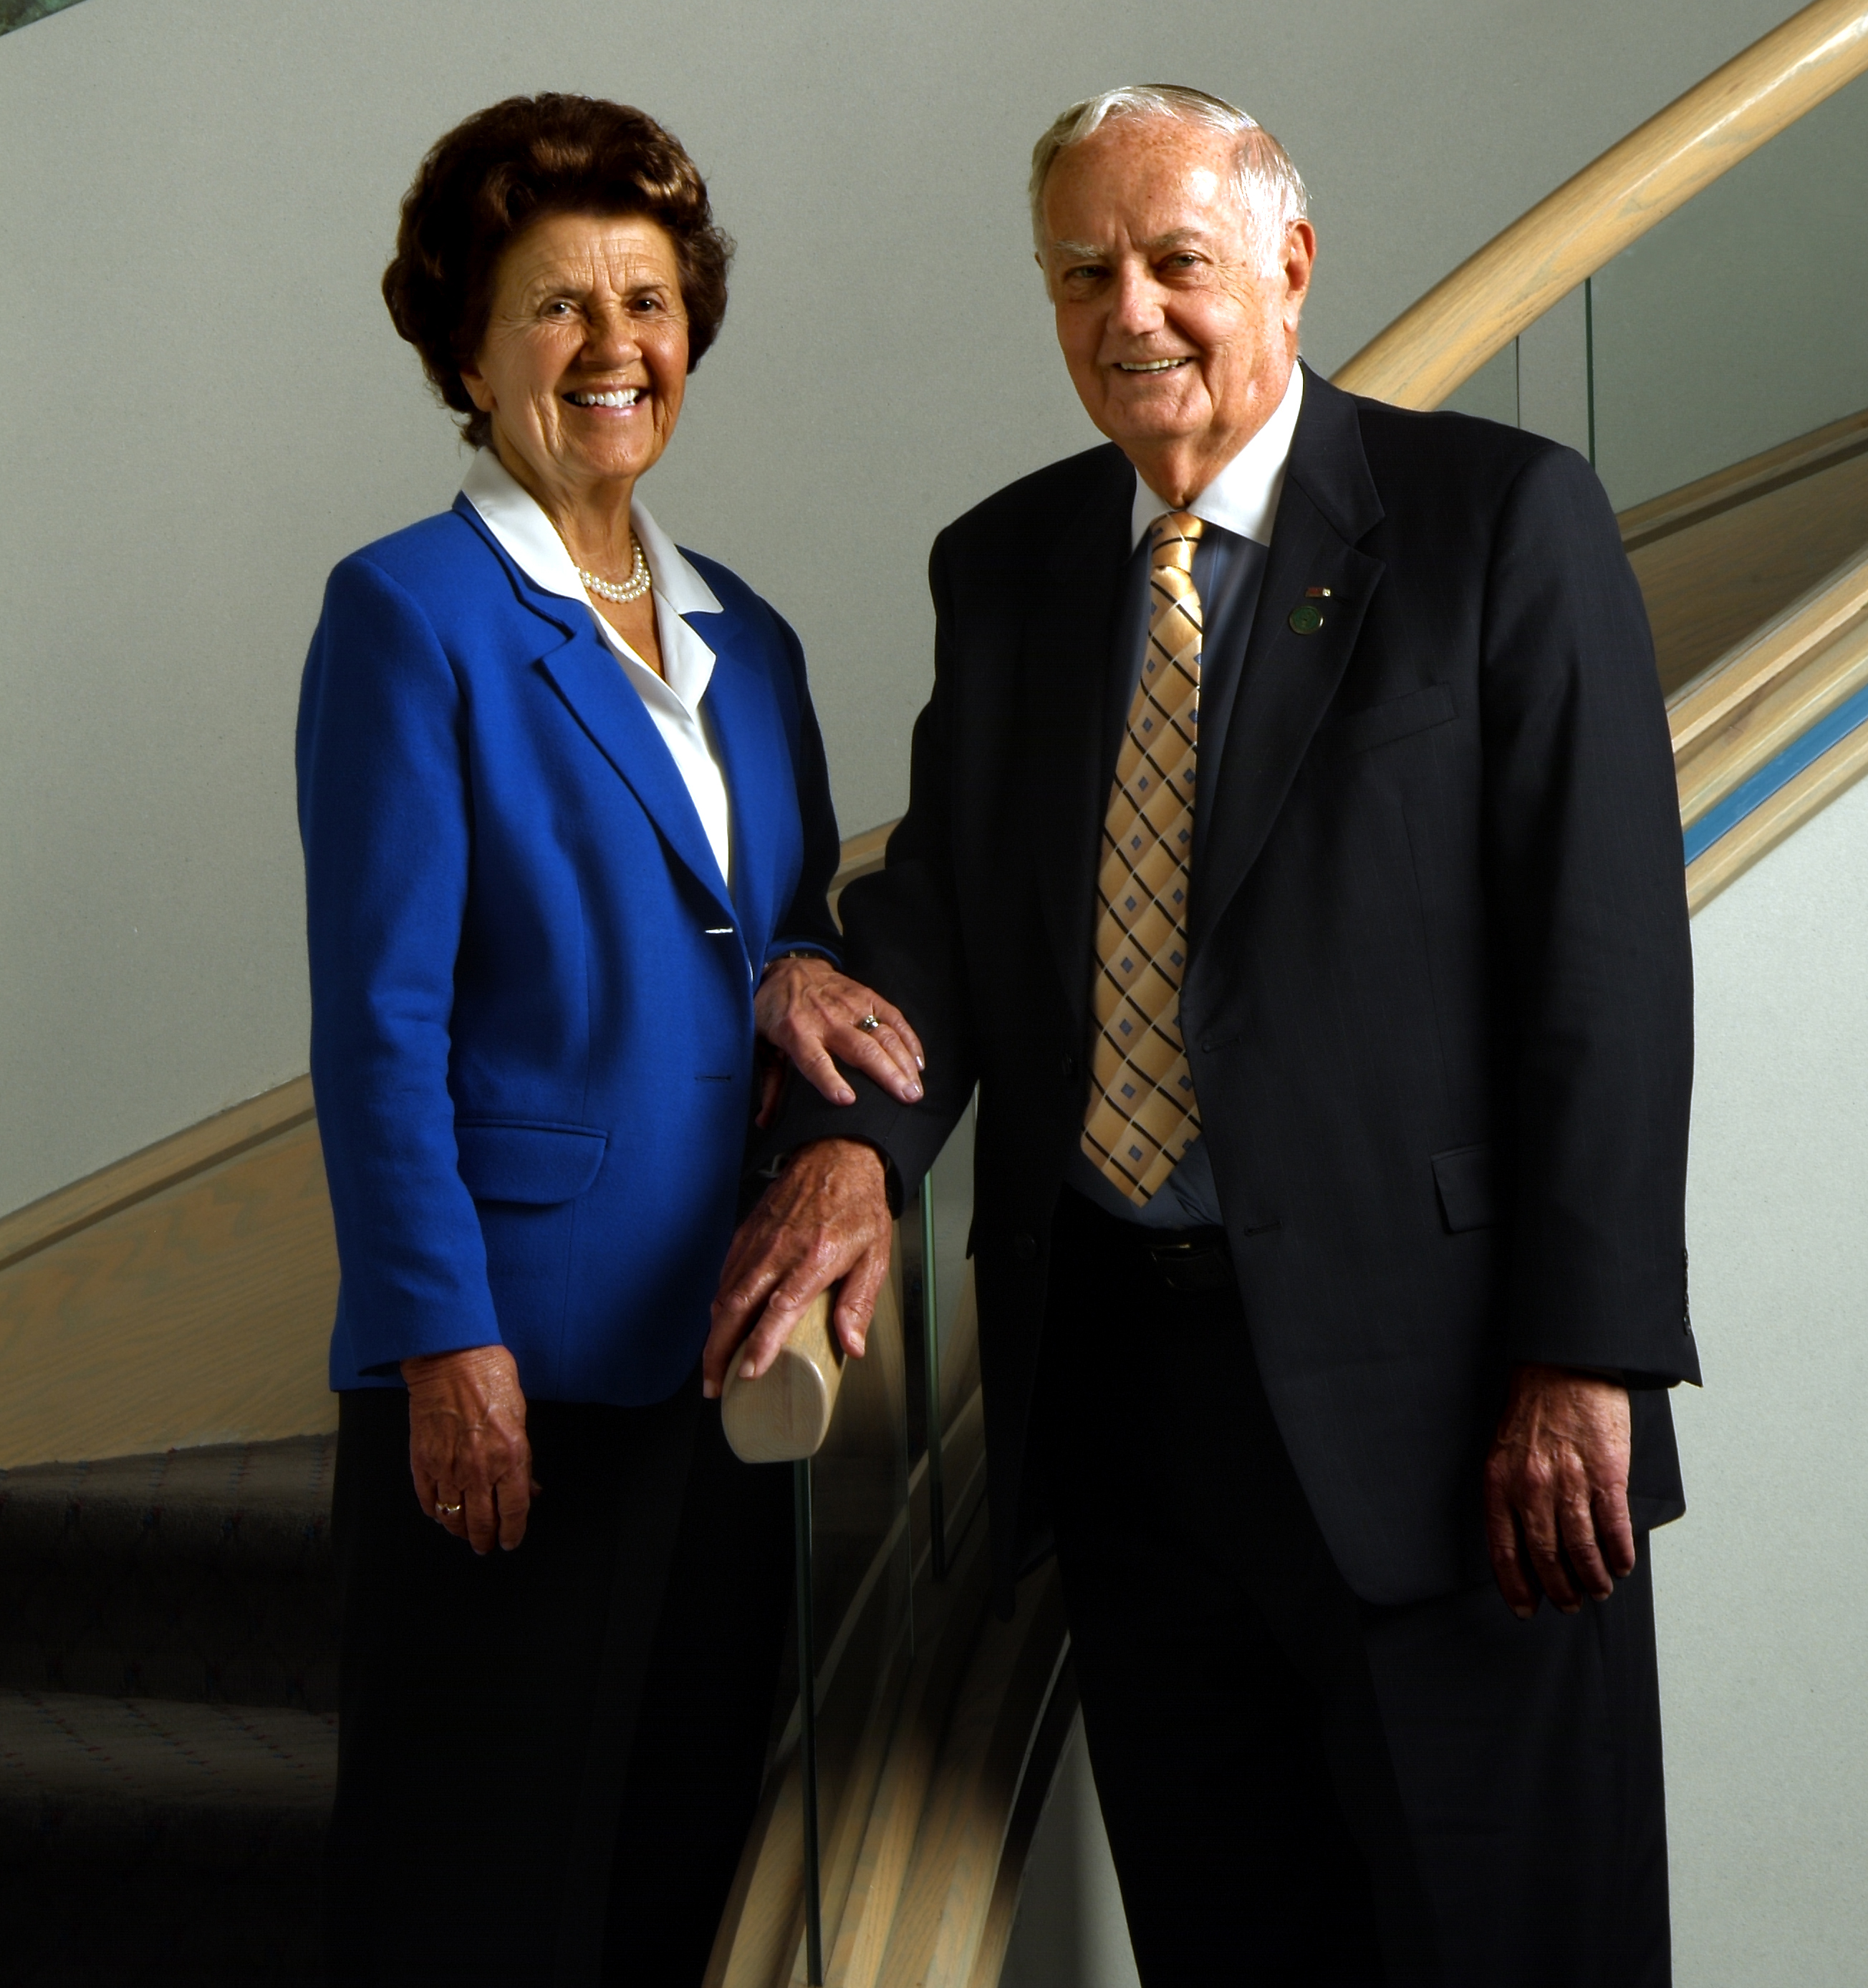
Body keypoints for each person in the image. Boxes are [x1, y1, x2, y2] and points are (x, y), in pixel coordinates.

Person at [707, 84, 1699, 1986]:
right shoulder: (1006, 573)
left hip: (1458, 1433)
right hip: (1129, 1425)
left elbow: (1607, 973)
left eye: (1179, 262)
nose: (1131, 311)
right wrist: (849, 1148)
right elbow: (949, 920)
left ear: (1292, 270)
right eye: (1084, 273)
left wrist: (1587, 1355)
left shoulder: (1499, 522)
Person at [297, 93, 923, 1986]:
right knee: (474, 1887)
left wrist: (799, 966)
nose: (611, 349)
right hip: (520, 1366)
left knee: (677, 1860)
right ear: (467, 350)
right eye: (556, 306)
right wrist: (443, 1338)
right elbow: (379, 1015)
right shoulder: (409, 615)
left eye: (644, 302)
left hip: (728, 1360)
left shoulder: (755, 638)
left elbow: (761, 926)